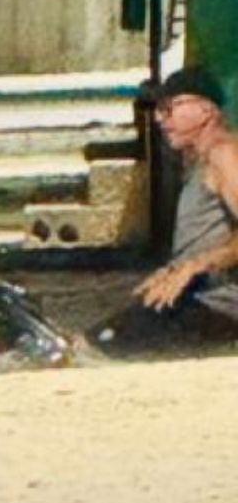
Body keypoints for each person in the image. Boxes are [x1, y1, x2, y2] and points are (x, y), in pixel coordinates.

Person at [90, 67, 238, 356]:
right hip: (198, 299)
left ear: (206, 109)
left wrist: (196, 266)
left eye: (169, 108)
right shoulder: (205, 161)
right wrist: (174, 269)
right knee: (96, 341)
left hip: (220, 307)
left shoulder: (224, 154)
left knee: (96, 348)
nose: (160, 119)